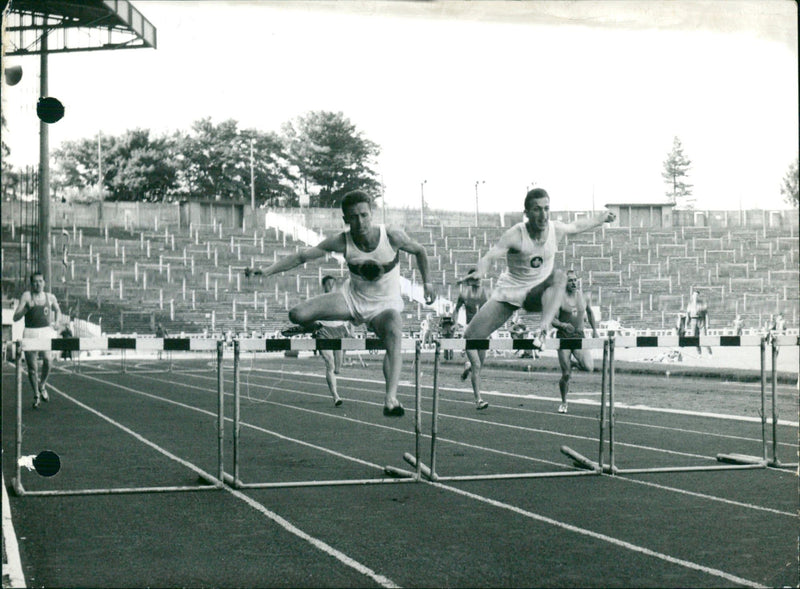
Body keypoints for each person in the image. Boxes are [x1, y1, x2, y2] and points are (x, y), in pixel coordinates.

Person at [247, 190, 435, 417]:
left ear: (372, 213)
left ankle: (391, 399)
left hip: (385, 306)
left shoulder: (392, 236)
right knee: (297, 314)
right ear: (345, 219)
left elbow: (420, 251)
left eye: (364, 215)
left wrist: (428, 284)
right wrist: (266, 271)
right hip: (352, 300)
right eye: (353, 217)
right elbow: (301, 256)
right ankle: (326, 327)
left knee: (394, 331)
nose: (360, 222)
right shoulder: (342, 241)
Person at [459, 188, 616, 411]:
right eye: (537, 210)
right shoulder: (516, 234)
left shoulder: (555, 229)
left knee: (559, 277)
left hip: (540, 293)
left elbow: (577, 226)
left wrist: (601, 219)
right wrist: (481, 272)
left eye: (546, 209)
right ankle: (473, 371)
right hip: (510, 293)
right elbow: (491, 255)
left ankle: (542, 331)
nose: (543, 215)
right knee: (471, 336)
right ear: (527, 213)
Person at [551, 270, 598, 414]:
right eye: (570, 280)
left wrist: (595, 330)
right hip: (564, 338)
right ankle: (564, 402)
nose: (573, 283)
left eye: (575, 280)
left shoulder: (584, 297)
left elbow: (590, 313)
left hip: (579, 337)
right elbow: (552, 319)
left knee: (589, 367)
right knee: (566, 375)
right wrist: (564, 325)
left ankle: (571, 364)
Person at [12, 272, 62, 408]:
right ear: (31, 283)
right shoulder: (27, 296)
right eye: (35, 282)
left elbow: (58, 310)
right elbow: (15, 317)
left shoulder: (50, 297)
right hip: (30, 332)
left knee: (48, 360)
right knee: (32, 368)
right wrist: (26, 309)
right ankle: (36, 395)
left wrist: (57, 322)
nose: (38, 284)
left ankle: (42, 384)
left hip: (46, 331)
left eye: (40, 281)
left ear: (44, 283)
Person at [311, 275, 355, 407]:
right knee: (329, 363)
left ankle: (336, 371)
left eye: (332, 284)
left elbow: (352, 315)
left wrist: (351, 331)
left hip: (339, 331)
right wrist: (314, 327)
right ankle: (336, 396)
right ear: (323, 286)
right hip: (323, 331)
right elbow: (310, 315)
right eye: (328, 284)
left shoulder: (342, 299)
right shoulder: (317, 300)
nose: (330, 286)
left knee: (337, 369)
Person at [453, 271, 489, 379]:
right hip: (471, 328)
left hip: (483, 328)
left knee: (480, 364)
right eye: (475, 278)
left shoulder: (486, 293)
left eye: (479, 278)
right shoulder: (464, 294)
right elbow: (456, 309)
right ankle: (477, 394)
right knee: (477, 364)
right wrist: (454, 323)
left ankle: (468, 366)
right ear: (470, 281)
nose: (478, 280)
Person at [686, 290, 712, 355]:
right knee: (695, 338)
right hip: (693, 321)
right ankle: (699, 353)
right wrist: (686, 324)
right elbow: (688, 315)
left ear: (699, 296)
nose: (695, 297)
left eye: (697, 295)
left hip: (701, 320)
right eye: (694, 295)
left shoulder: (702, 303)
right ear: (692, 296)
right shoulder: (690, 304)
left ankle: (709, 353)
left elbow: (706, 314)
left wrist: (707, 324)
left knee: (704, 338)